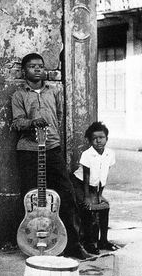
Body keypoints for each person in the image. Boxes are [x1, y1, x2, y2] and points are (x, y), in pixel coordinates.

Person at [11, 52, 93, 260]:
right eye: (32, 66)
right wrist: (32, 123)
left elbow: (60, 119)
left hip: (52, 148)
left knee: (66, 195)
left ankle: (73, 244)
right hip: (29, 150)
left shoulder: (54, 92)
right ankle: (33, 243)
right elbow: (17, 122)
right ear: (24, 71)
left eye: (40, 66)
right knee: (31, 198)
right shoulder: (19, 95)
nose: (37, 69)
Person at [71, 121, 117, 253]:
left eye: (101, 137)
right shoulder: (87, 154)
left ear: (106, 139)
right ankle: (89, 243)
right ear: (90, 141)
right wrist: (86, 197)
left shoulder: (110, 154)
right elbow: (86, 176)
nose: (98, 141)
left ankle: (103, 241)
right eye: (94, 138)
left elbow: (104, 176)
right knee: (87, 208)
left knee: (104, 207)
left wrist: (100, 194)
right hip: (80, 184)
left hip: (94, 187)